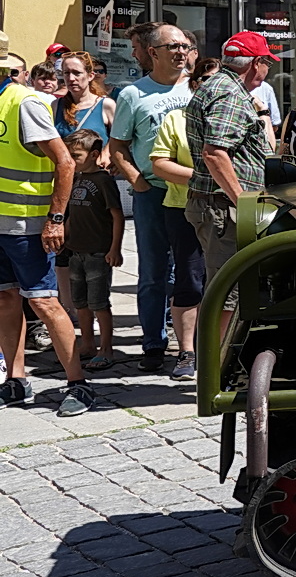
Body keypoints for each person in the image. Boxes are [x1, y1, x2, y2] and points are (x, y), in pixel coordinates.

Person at [0, 67, 91, 415]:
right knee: (6, 300)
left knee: (44, 303)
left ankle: (78, 384)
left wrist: (55, 219)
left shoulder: (24, 103)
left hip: (27, 226)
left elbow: (65, 162)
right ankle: (16, 380)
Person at [109, 23, 194, 372]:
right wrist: (137, 181)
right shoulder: (133, 94)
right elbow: (118, 146)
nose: (179, 52)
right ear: (153, 53)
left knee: (191, 271)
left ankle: (188, 345)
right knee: (153, 271)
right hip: (153, 194)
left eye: (184, 45)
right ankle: (153, 345)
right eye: (171, 46)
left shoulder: (198, 89)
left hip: (193, 193)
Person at [187, 32, 276, 326]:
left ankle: (217, 361)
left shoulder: (218, 86)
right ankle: (215, 366)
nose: (267, 71)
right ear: (256, 63)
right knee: (228, 294)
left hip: (218, 207)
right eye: (267, 64)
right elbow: (214, 153)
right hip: (226, 210)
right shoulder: (229, 93)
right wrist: (243, 202)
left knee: (227, 290)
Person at [150, 58, 217, 380]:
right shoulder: (177, 119)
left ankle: (218, 350)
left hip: (231, 210)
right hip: (183, 209)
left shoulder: (236, 116)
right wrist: (205, 178)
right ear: (194, 84)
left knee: (223, 282)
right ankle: (187, 352)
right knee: (189, 281)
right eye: (203, 79)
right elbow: (160, 164)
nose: (210, 86)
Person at [59, 129, 123, 373]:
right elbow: (70, 213)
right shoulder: (74, 178)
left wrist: (114, 249)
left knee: (99, 303)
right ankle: (87, 344)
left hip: (98, 252)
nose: (70, 161)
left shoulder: (104, 181)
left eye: (75, 156)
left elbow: (117, 216)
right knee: (80, 303)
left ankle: (106, 348)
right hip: (76, 251)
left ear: (94, 154)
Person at [53, 52, 115, 158]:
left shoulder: (106, 105)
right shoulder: (56, 105)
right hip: (66, 170)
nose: (71, 78)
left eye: (77, 73)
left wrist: (106, 153)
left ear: (90, 76)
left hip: (96, 171)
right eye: (66, 73)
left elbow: (120, 138)